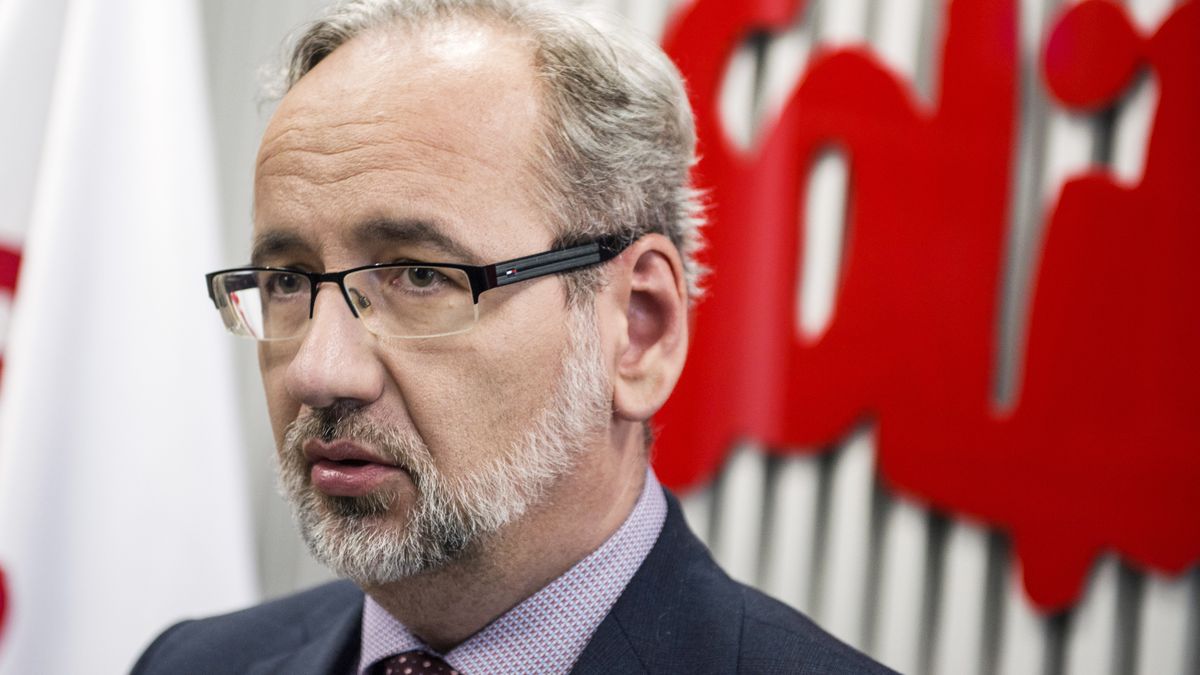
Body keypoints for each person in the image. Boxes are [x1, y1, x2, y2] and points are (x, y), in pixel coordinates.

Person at [135, 0, 894, 672]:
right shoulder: (191, 661)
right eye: (288, 282)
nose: (319, 370)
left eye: (421, 277)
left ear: (638, 327)